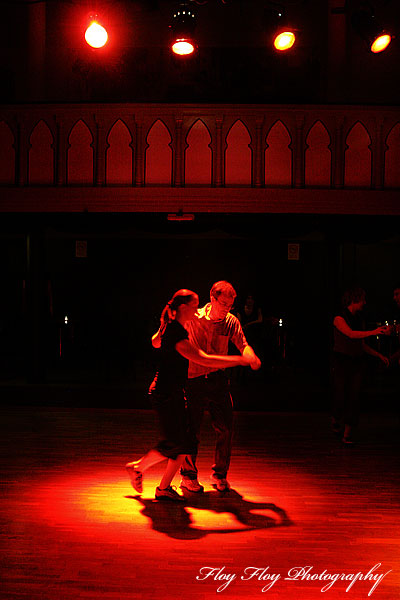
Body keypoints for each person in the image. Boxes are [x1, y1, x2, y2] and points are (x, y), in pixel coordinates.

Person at [126, 289, 254, 502]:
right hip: (165, 392)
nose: (198, 312)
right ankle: (138, 468)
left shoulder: (176, 327)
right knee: (175, 443)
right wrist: (239, 360)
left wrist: (164, 325)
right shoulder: (176, 332)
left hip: (175, 390)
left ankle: (162, 487)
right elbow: (203, 359)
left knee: (184, 444)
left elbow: (155, 342)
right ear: (184, 308)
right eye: (195, 308)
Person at [153, 281, 261, 493]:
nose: (227, 309)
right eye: (224, 304)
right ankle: (188, 477)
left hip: (217, 380)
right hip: (192, 379)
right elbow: (196, 355)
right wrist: (238, 360)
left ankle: (220, 474)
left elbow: (243, 344)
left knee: (226, 428)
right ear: (212, 298)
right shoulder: (194, 318)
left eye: (231, 305)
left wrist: (249, 355)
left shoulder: (231, 321)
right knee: (190, 431)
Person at [331, 286, 389, 445]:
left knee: (354, 396)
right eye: (363, 299)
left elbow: (360, 344)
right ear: (354, 299)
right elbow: (350, 334)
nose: (365, 302)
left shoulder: (359, 319)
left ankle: (347, 435)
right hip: (341, 361)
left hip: (356, 362)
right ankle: (336, 419)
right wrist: (374, 331)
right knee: (340, 396)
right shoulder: (339, 318)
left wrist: (378, 355)